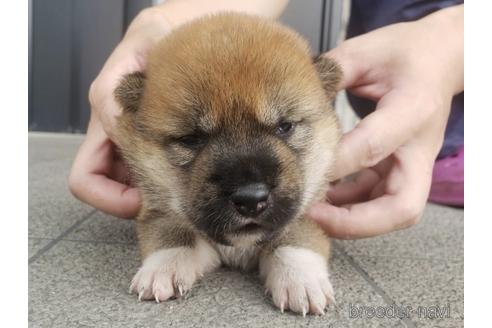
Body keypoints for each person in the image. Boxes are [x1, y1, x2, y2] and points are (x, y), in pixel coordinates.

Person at [69, 0, 464, 239]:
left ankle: (454, 148)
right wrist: (167, 19)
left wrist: (450, 45)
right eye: (192, 139)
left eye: (284, 128)